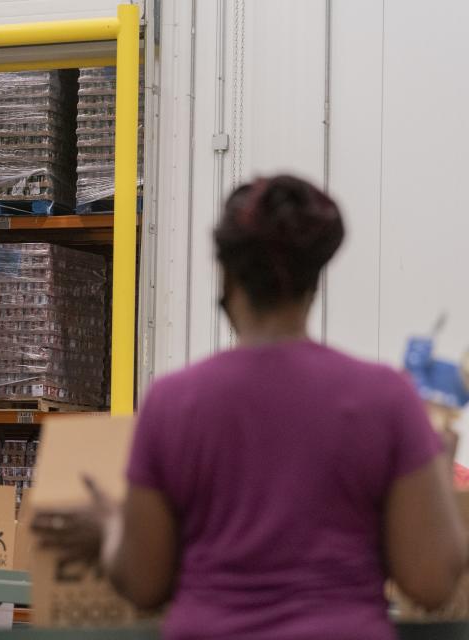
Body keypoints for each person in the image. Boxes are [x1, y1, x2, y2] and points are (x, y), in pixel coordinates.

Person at [35, 175, 468, 639]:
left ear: (226, 274)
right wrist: (436, 472)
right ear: (313, 280)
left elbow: (143, 583)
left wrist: (110, 527)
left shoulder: (175, 401)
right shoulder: (385, 398)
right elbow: (430, 583)